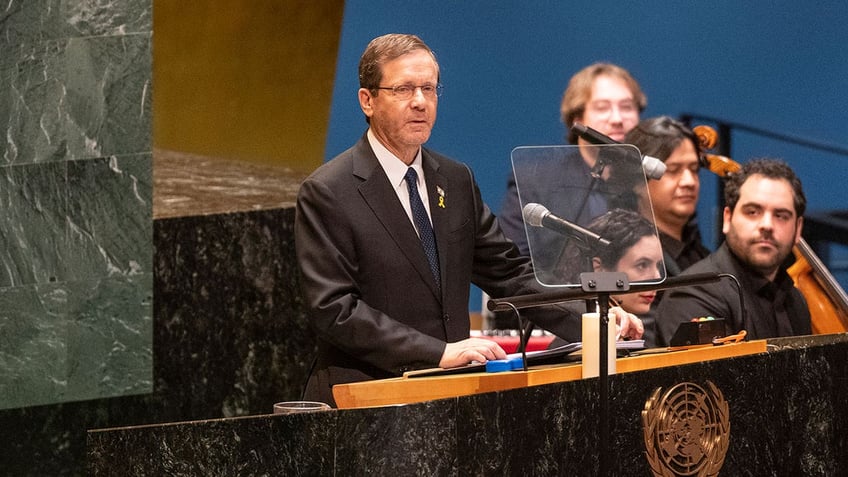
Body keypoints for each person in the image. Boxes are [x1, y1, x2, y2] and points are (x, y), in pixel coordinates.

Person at [294, 34, 644, 406]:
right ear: (368, 100)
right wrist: (438, 353)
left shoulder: (455, 179)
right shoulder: (329, 191)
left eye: (429, 88)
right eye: (403, 89)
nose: (419, 102)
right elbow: (334, 310)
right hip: (365, 399)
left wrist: (592, 316)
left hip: (449, 398)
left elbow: (509, 275)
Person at [656, 158, 812, 346]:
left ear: (798, 229)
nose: (767, 225)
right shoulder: (692, 295)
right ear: (727, 219)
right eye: (753, 212)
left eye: (781, 216)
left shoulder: (796, 301)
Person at [499, 62, 647, 259]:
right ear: (577, 120)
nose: (617, 119)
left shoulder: (653, 181)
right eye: (602, 108)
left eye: (627, 107)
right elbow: (513, 260)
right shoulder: (535, 181)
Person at [623, 116, 711, 346]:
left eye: (694, 169)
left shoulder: (702, 255)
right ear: (636, 180)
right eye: (673, 170)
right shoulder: (628, 259)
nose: (689, 181)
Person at [554, 209, 664, 316]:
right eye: (642, 265)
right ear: (598, 268)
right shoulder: (579, 331)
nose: (657, 277)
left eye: (658, 265)